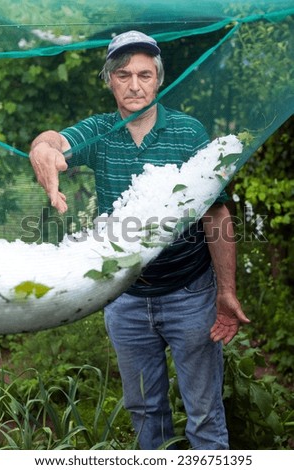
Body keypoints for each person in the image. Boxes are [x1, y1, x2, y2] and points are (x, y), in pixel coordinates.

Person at [29, 30, 250, 450]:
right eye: (123, 74)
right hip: (126, 298)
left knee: (203, 413)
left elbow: (216, 213)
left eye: (144, 75)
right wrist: (42, 147)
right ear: (109, 79)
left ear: (159, 79)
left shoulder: (187, 132)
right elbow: (56, 140)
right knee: (145, 411)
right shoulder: (100, 132)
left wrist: (226, 291)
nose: (134, 85)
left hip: (190, 295)